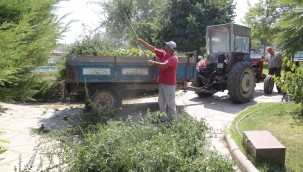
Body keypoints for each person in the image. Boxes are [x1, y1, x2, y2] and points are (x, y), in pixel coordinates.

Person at [137, 38, 178, 121]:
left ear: (169, 48)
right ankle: (162, 118)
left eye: (166, 45)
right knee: (161, 102)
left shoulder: (173, 58)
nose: (165, 46)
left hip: (169, 84)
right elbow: (153, 49)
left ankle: (174, 121)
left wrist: (153, 63)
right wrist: (142, 42)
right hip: (162, 82)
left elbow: (164, 65)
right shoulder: (164, 54)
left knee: (170, 103)